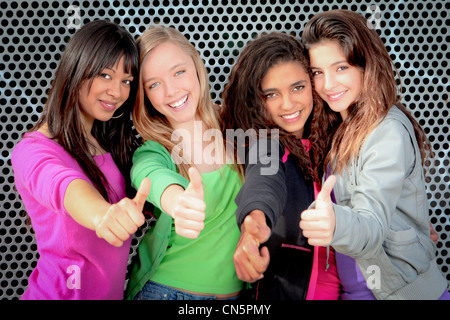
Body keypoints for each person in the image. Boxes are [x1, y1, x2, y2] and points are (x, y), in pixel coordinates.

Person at [301, 9, 449, 300]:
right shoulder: (339, 127)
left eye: (341, 67)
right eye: (318, 72)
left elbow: (372, 226)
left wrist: (335, 224)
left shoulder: (386, 131)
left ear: (365, 65)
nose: (328, 84)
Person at [11, 20, 150, 300]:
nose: (118, 92)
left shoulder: (111, 145)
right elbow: (64, 186)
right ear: (76, 69)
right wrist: (102, 215)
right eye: (105, 75)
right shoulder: (33, 149)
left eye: (127, 81)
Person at [124, 25, 243, 300]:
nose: (171, 90)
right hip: (168, 293)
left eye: (179, 72)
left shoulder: (236, 128)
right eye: (154, 84)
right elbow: (149, 174)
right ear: (145, 96)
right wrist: (178, 202)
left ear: (196, 65)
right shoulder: (155, 149)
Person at [220, 32, 341, 300]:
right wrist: (252, 227)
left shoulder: (335, 141)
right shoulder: (266, 145)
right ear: (255, 99)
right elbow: (263, 186)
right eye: (271, 94)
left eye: (298, 87)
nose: (288, 104)